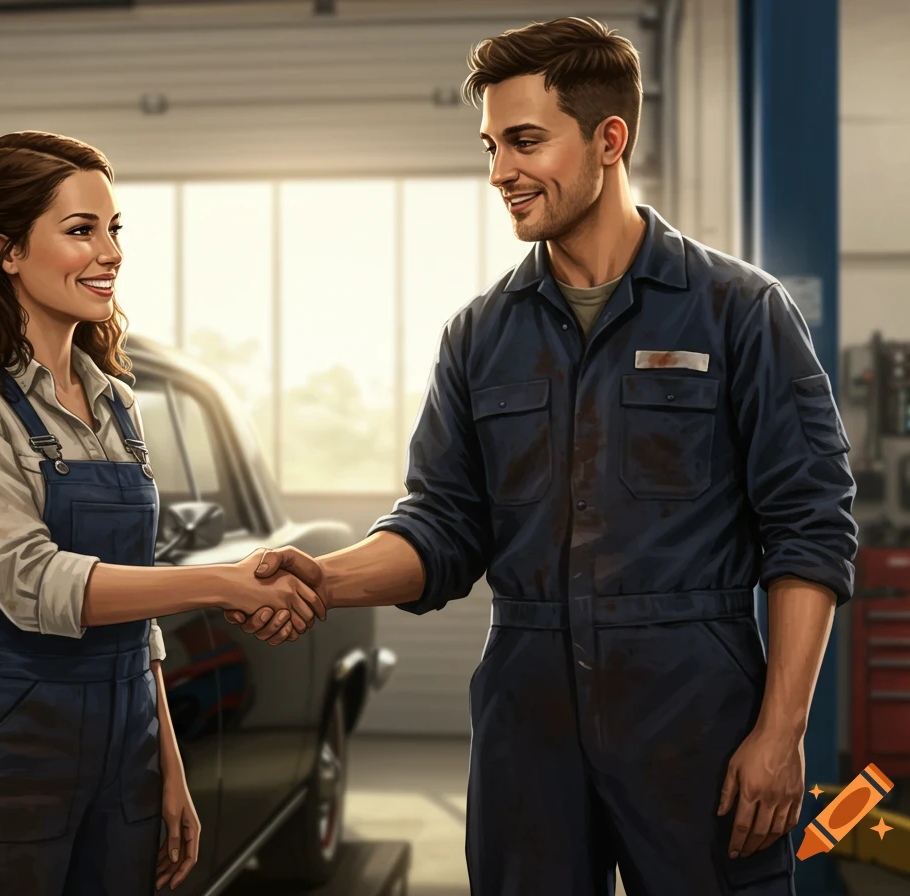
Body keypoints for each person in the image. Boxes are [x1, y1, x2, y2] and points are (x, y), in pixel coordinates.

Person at [228, 16, 858, 896]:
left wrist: (781, 731)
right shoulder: (480, 336)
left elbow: (809, 527)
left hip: (694, 711)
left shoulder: (738, 311)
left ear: (610, 139)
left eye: (525, 141)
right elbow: (443, 527)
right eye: (491, 145)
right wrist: (321, 579)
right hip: (528, 720)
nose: (500, 173)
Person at [0, 131, 325, 896]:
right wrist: (224, 585)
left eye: (113, 229)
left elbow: (136, 604)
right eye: (80, 230)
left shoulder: (116, 400)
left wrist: (167, 765)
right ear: (6, 251)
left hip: (129, 735)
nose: (109, 252)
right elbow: (33, 584)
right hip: (10, 733)